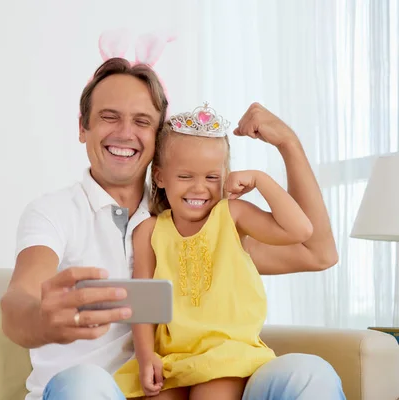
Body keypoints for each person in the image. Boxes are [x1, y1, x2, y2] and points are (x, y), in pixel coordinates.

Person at [0, 57, 344, 400]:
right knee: (82, 384)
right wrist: (41, 320)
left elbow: (317, 252)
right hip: (99, 390)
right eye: (109, 117)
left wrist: (289, 145)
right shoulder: (54, 213)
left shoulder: (201, 220)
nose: (124, 132)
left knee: (309, 374)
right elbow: (19, 301)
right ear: (82, 127)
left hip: (187, 377)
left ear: (158, 135)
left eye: (142, 121)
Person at [112, 104, 313, 400]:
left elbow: (301, 230)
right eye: (185, 176)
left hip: (228, 355)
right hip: (173, 359)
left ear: (226, 175)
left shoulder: (233, 215)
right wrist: (145, 356)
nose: (199, 188)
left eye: (211, 177)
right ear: (159, 177)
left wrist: (261, 179)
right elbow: (143, 301)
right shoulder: (149, 231)